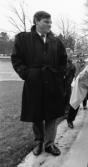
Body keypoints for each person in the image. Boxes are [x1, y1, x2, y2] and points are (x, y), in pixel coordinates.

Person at [11, 11, 67, 156]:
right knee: (36, 115)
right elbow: (16, 59)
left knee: (51, 116)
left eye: (50, 22)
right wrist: (27, 74)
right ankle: (38, 142)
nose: (49, 24)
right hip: (34, 84)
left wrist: (59, 76)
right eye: (46, 22)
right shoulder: (23, 39)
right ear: (36, 21)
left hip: (52, 84)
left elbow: (63, 61)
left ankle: (49, 144)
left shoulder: (56, 41)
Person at [66, 52, 88, 128]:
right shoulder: (75, 64)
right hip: (78, 84)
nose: (81, 58)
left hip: (86, 83)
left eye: (82, 56)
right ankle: (70, 120)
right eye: (79, 57)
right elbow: (75, 74)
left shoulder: (87, 63)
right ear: (78, 58)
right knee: (76, 102)